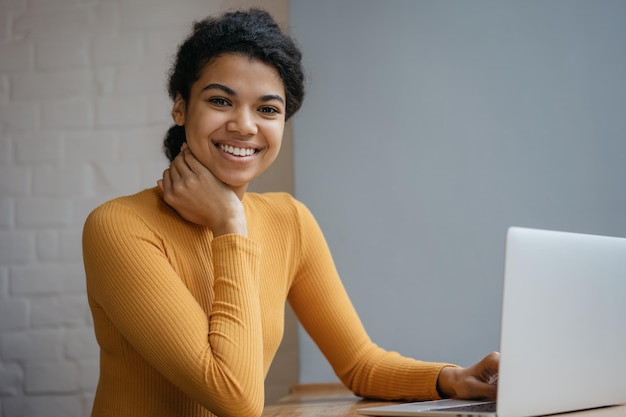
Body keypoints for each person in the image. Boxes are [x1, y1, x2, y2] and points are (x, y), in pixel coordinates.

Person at [82, 8, 499, 417]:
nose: (245, 126)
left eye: (267, 109)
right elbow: (235, 398)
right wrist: (230, 224)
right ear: (180, 107)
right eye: (220, 100)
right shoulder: (119, 227)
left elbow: (359, 362)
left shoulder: (288, 220)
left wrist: (454, 378)